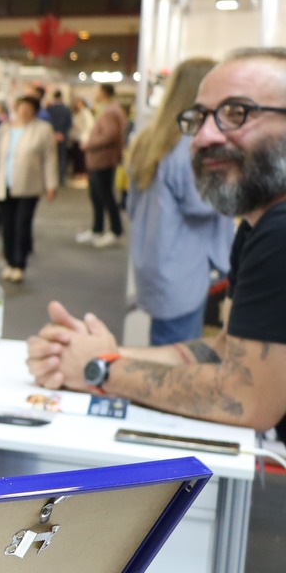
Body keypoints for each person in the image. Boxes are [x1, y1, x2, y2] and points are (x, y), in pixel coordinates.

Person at [28, 48, 286, 436]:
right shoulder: (259, 225)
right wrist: (99, 354)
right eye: (198, 118)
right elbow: (225, 349)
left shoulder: (279, 231)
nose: (204, 136)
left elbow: (244, 397)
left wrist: (100, 368)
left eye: (237, 113)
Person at [125, 58, 233, 347]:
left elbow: (131, 204)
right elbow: (202, 203)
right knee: (178, 353)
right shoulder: (188, 146)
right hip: (181, 268)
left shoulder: (149, 139)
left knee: (166, 343)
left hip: (155, 260)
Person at [0, 95, 60, 283]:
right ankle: (8, 260)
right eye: (22, 107)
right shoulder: (4, 129)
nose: (24, 111)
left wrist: (51, 184)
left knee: (22, 224)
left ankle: (19, 263)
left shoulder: (43, 129)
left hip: (29, 185)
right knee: (7, 225)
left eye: (29, 108)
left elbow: (50, 158)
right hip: (4, 184)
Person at [79, 83, 129, 247]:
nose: (95, 94)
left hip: (103, 159)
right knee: (97, 195)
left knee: (105, 195)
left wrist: (89, 144)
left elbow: (110, 135)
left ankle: (115, 231)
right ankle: (97, 229)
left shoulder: (110, 111)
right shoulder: (109, 109)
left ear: (104, 93)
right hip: (100, 159)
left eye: (98, 91)